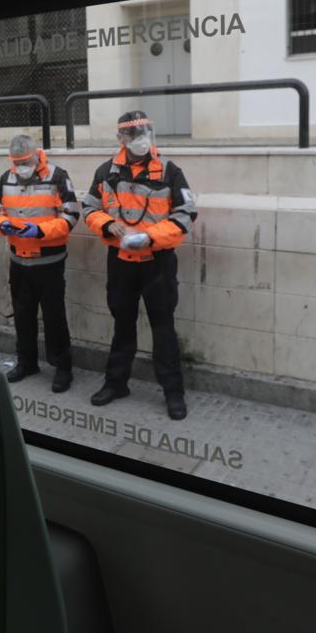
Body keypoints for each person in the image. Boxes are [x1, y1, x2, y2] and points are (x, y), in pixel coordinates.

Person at [82, 110, 198, 420]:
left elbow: (186, 214)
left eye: (145, 131)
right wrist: (108, 226)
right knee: (122, 325)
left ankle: (173, 393)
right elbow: (89, 209)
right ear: (121, 139)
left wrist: (150, 237)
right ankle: (116, 383)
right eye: (134, 134)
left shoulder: (169, 171)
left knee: (164, 329)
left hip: (157, 263)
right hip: (121, 263)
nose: (141, 139)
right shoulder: (107, 172)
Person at [0, 134, 80, 392]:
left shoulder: (57, 176)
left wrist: (40, 232)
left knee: (54, 318)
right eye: (16, 162)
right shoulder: (6, 179)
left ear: (35, 155)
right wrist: (1, 225)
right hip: (18, 261)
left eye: (25, 161)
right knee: (22, 316)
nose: (21, 166)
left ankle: (63, 367)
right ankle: (26, 362)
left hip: (49, 263)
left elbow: (71, 215)